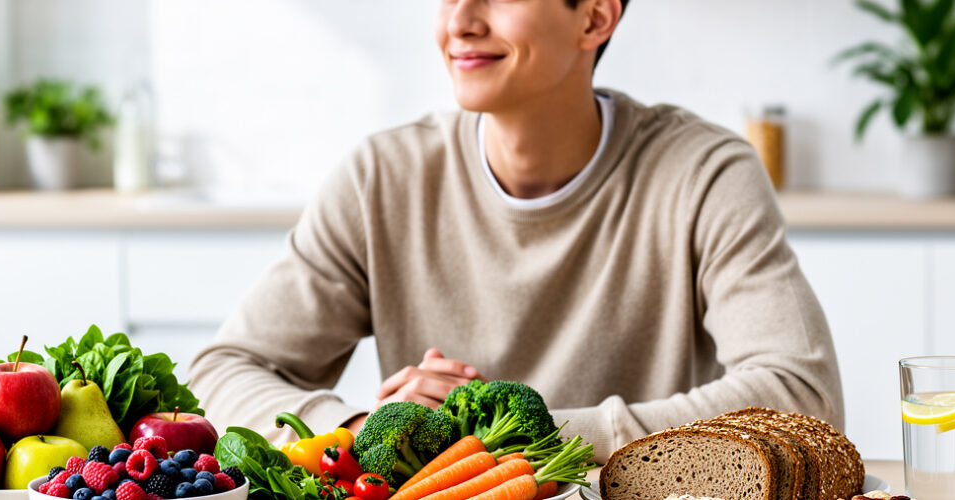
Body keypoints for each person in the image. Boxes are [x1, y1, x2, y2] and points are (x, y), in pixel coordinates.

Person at [188, 0, 844, 463]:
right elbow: (222, 371)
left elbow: (802, 398)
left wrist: (508, 438)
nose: (460, 21)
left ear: (594, 17)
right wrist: (359, 431)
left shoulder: (702, 173)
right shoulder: (382, 178)